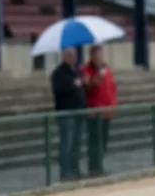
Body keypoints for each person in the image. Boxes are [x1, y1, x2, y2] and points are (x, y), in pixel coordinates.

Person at [50, 47, 86, 182]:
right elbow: (59, 90)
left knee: (76, 143)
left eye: (74, 55)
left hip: (78, 110)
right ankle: (66, 172)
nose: (73, 57)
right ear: (64, 56)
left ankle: (75, 170)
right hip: (67, 112)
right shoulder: (58, 73)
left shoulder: (75, 71)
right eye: (70, 55)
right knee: (67, 144)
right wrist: (73, 84)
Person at [81, 44, 117, 178]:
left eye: (101, 55)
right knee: (95, 141)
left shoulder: (106, 68)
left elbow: (112, 87)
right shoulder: (86, 69)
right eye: (97, 55)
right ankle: (94, 167)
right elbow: (88, 86)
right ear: (92, 56)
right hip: (95, 112)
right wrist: (96, 78)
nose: (99, 57)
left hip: (107, 111)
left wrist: (113, 104)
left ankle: (99, 165)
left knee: (104, 140)